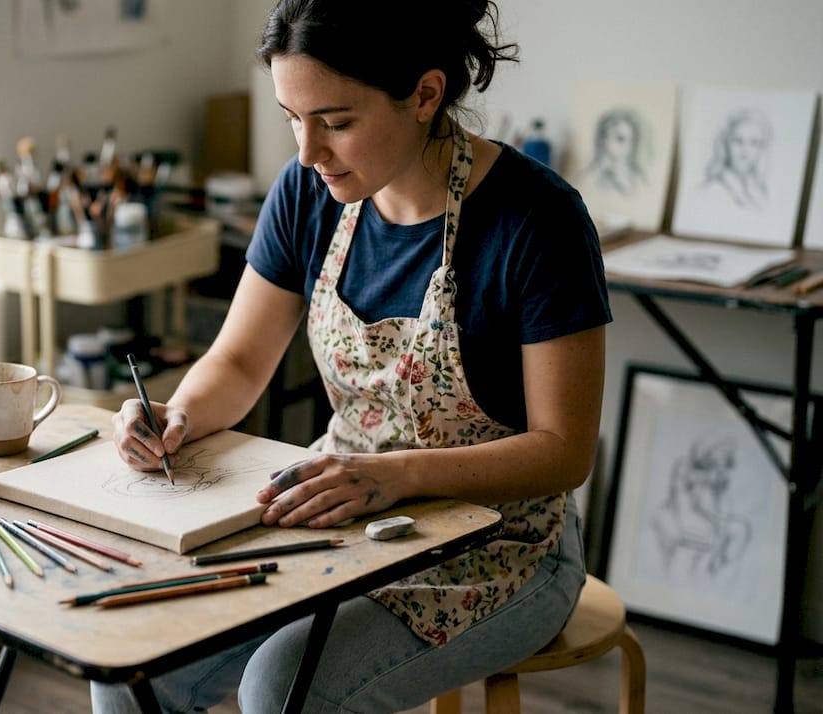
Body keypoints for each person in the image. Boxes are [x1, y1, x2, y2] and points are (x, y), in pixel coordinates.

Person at [96, 1, 612, 711]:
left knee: (283, 689)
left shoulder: (537, 220)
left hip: (503, 545)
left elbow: (563, 451)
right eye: (292, 118)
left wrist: (392, 476)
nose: (308, 153)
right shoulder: (306, 194)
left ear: (425, 96)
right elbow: (242, 363)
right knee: (134, 668)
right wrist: (176, 414)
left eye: (335, 122)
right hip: (335, 514)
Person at [701, 108, 772, 210]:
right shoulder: (713, 191)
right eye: (738, 141)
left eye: (754, 143)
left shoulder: (759, 192)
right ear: (725, 145)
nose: (745, 151)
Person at [582, 107, 649, 197]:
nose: (610, 144)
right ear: (603, 139)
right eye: (620, 138)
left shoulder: (638, 179)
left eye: (621, 139)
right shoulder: (589, 178)